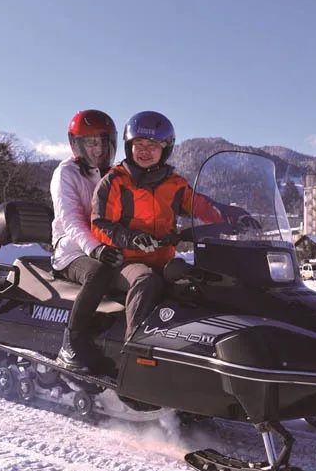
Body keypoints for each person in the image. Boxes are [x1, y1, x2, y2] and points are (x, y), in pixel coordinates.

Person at [91, 110, 255, 342]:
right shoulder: (115, 181)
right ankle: (134, 349)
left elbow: (201, 206)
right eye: (139, 144)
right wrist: (132, 238)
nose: (145, 151)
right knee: (145, 281)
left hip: (163, 260)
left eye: (153, 145)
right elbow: (99, 224)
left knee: (203, 282)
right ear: (129, 146)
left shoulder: (174, 184)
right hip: (126, 262)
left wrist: (233, 216)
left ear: (165, 149)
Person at [50, 110, 125, 371]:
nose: (99, 149)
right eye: (91, 142)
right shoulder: (66, 174)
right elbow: (70, 220)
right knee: (100, 273)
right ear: (77, 145)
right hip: (71, 252)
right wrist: (96, 249)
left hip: (107, 247)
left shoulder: (114, 174)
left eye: (104, 142)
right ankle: (72, 341)